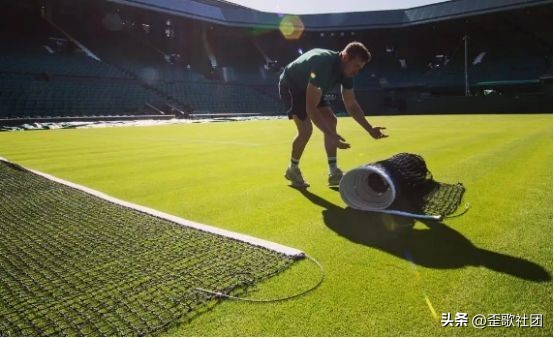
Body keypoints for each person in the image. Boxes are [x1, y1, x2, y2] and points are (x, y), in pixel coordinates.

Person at [279, 41, 388, 187]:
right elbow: (311, 108)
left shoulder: (347, 72)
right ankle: (292, 169)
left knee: (331, 121)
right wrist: (331, 135)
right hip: (292, 85)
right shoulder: (323, 64)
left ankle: (333, 173)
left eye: (360, 68)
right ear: (345, 57)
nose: (357, 72)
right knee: (305, 130)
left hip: (314, 87)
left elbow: (351, 103)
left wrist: (369, 128)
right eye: (356, 66)